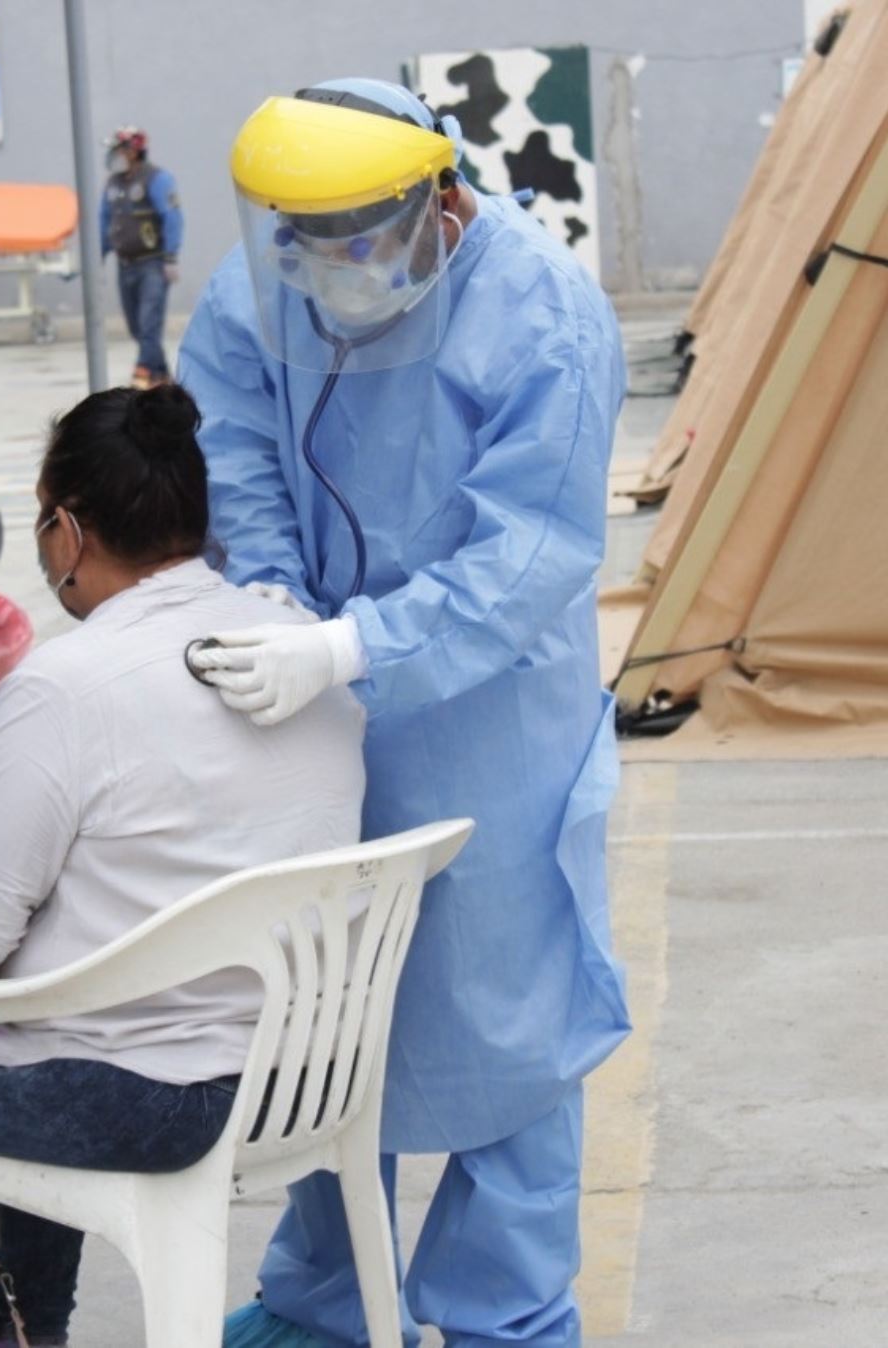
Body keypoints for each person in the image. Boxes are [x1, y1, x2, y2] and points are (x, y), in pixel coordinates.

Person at [180, 79, 631, 1348]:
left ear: (440, 199)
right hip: (319, 724)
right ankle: (324, 1305)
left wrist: (354, 645)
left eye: (362, 240)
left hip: (497, 730)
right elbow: (238, 449)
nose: (336, 270)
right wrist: (275, 602)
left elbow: (534, 551)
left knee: (513, 1027)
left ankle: (504, 1312)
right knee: (336, 1022)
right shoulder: (256, 289)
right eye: (308, 242)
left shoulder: (544, 313)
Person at [0, 383, 367, 1348]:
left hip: (158, 1101)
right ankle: (29, 1329)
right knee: (39, 1021)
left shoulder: (64, 688)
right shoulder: (299, 644)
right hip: (308, 1072)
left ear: (66, 532)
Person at [99, 126, 184, 389]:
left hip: (153, 264)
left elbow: (173, 218)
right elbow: (104, 221)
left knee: (149, 324)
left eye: (118, 150)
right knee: (136, 328)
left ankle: (142, 376)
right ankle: (163, 378)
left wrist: (171, 257)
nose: (114, 156)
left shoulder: (157, 179)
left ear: (133, 151)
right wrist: (97, 256)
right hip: (125, 265)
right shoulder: (113, 184)